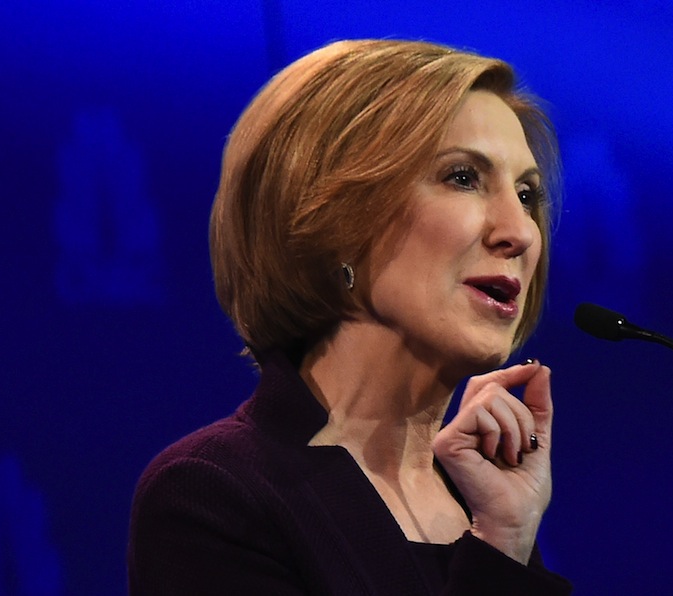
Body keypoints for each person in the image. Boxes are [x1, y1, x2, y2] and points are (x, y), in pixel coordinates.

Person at [127, 39, 572, 595]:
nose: (521, 231)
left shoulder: (484, 502)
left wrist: (508, 536)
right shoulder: (214, 494)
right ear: (336, 220)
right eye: (463, 177)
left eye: (527, 194)